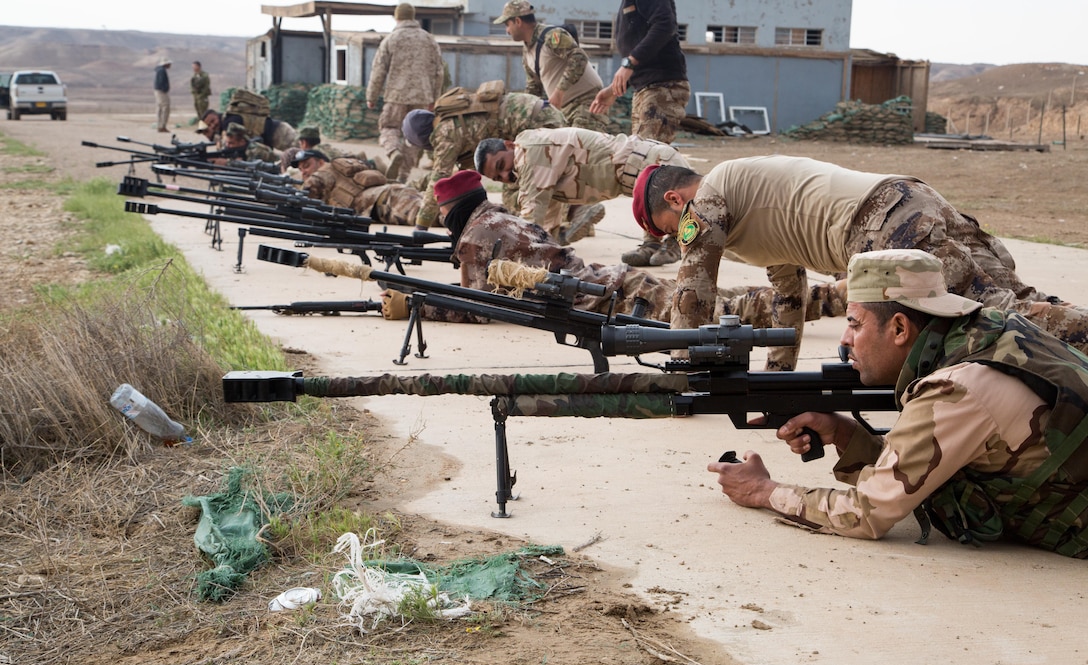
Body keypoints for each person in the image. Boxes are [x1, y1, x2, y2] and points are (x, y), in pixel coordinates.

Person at [711, 249, 1088, 559]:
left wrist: (763, 491)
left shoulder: (956, 389)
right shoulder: (985, 333)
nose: (845, 340)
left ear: (899, 329)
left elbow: (866, 514)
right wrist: (845, 434)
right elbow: (918, 463)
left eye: (855, 324)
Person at [633, 158, 1088, 371]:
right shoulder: (748, 206)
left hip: (883, 220)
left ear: (676, 199)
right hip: (906, 199)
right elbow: (791, 294)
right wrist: (778, 378)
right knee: (1016, 305)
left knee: (993, 317)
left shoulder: (711, 192)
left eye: (669, 227)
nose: (679, 237)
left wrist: (682, 371)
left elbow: (692, 293)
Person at [378, 169, 845, 327]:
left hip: (612, 299)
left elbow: (481, 307)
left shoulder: (474, 240)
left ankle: (839, 298)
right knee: (727, 302)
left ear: (452, 211)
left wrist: (418, 307)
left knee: (736, 313)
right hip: (612, 285)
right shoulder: (499, 217)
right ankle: (833, 295)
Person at [588, 0, 690, 266]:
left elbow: (665, 25)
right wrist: (613, 89)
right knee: (649, 167)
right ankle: (653, 239)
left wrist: (629, 63)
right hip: (646, 88)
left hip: (663, 87)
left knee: (655, 164)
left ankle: (676, 239)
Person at [473, 127, 687, 248]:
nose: (505, 175)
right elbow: (545, 220)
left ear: (509, 145)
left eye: (501, 165)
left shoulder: (529, 153)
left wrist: (504, 254)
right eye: (498, 177)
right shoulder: (535, 160)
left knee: (701, 234)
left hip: (658, 168)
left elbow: (530, 219)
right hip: (648, 172)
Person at [398, 87, 566, 231]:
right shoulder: (452, 119)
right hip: (545, 114)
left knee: (527, 186)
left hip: (537, 125)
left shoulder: (444, 133)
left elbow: (438, 181)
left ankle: (547, 233)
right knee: (534, 180)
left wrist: (421, 226)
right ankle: (558, 225)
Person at [494, 1, 607, 132]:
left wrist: (559, 92)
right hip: (562, 111)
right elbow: (533, 89)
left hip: (586, 102)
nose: (507, 31)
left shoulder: (551, 36)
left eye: (507, 25)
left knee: (580, 147)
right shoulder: (527, 52)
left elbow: (579, 58)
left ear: (518, 21)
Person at [366, 2, 446, 184]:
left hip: (396, 95)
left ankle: (393, 152)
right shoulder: (428, 39)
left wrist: (371, 96)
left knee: (389, 127)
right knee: (414, 136)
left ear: (397, 17)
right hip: (422, 96)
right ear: (413, 17)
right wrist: (434, 98)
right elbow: (438, 71)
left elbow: (378, 70)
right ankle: (403, 176)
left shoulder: (391, 39)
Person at [292, 149, 426, 226]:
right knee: (436, 208)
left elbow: (307, 192)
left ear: (320, 162)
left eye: (306, 165)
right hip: (391, 194)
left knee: (431, 217)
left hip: (387, 202)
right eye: (300, 169)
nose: (303, 171)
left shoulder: (324, 172)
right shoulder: (338, 170)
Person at [197, 108, 297, 151]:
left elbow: (231, 143)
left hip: (280, 132)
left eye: (212, 121)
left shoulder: (229, 122)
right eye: (209, 125)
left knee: (303, 152)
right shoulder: (225, 124)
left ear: (215, 116)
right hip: (271, 137)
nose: (212, 126)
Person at [153, 57, 172, 133]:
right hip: (161, 91)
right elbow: (161, 82)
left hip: (158, 91)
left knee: (160, 107)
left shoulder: (160, 70)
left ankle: (160, 125)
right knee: (165, 107)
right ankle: (162, 126)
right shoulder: (162, 71)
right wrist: (165, 89)